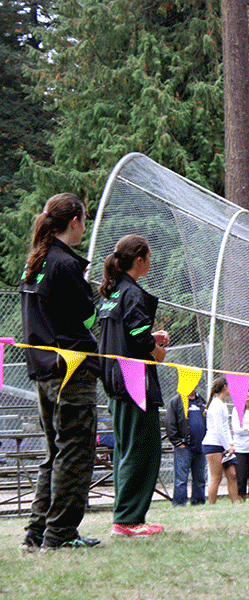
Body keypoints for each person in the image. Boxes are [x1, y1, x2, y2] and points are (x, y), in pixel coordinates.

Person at [18, 193, 101, 551]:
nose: (85, 226)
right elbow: (88, 317)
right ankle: (60, 533)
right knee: (76, 452)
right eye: (84, 220)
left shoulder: (35, 263)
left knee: (56, 452)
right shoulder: (65, 265)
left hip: (43, 369)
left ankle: (37, 532)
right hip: (71, 371)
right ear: (74, 222)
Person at [98, 234, 168, 538]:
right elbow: (140, 339)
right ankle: (128, 520)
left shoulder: (111, 294)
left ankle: (125, 517)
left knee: (126, 449)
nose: (151, 262)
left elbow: (131, 334)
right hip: (134, 383)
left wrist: (154, 336)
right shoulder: (132, 294)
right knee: (142, 449)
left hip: (115, 381)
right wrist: (158, 350)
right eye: (149, 256)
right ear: (138, 260)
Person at [164, 385, 207, 506]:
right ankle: (179, 504)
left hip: (200, 447)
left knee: (200, 478)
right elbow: (169, 423)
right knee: (181, 479)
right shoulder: (176, 401)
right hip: (184, 448)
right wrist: (178, 442)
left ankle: (198, 502)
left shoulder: (201, 401)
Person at [201, 376, 239, 504]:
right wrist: (227, 447)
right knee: (216, 477)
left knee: (232, 475)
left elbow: (225, 427)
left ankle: (236, 504)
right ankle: (211, 504)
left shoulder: (222, 404)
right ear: (225, 387)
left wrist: (230, 444)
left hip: (224, 445)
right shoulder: (216, 405)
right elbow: (218, 430)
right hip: (213, 444)